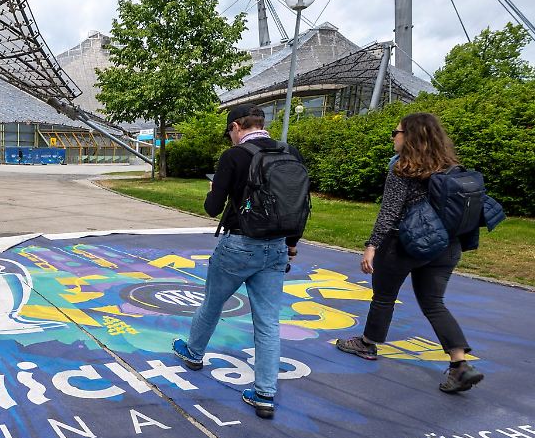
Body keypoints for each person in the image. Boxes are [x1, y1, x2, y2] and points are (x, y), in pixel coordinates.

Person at [171, 105, 305, 419]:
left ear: (236, 127)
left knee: (213, 302)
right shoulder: (290, 153)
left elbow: (212, 208)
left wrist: (213, 189)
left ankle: (193, 353)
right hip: (277, 247)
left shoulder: (234, 157)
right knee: (268, 322)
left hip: (240, 244)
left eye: (230, 132)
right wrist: (292, 245)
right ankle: (265, 393)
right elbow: (296, 203)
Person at [335, 113, 483, 393]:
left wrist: (372, 246)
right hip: (445, 246)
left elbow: (390, 212)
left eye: (397, 132)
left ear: (411, 137)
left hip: (405, 244)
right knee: (434, 303)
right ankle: (459, 364)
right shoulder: (451, 168)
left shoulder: (402, 169)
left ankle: (368, 343)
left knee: (384, 296)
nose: (393, 136)